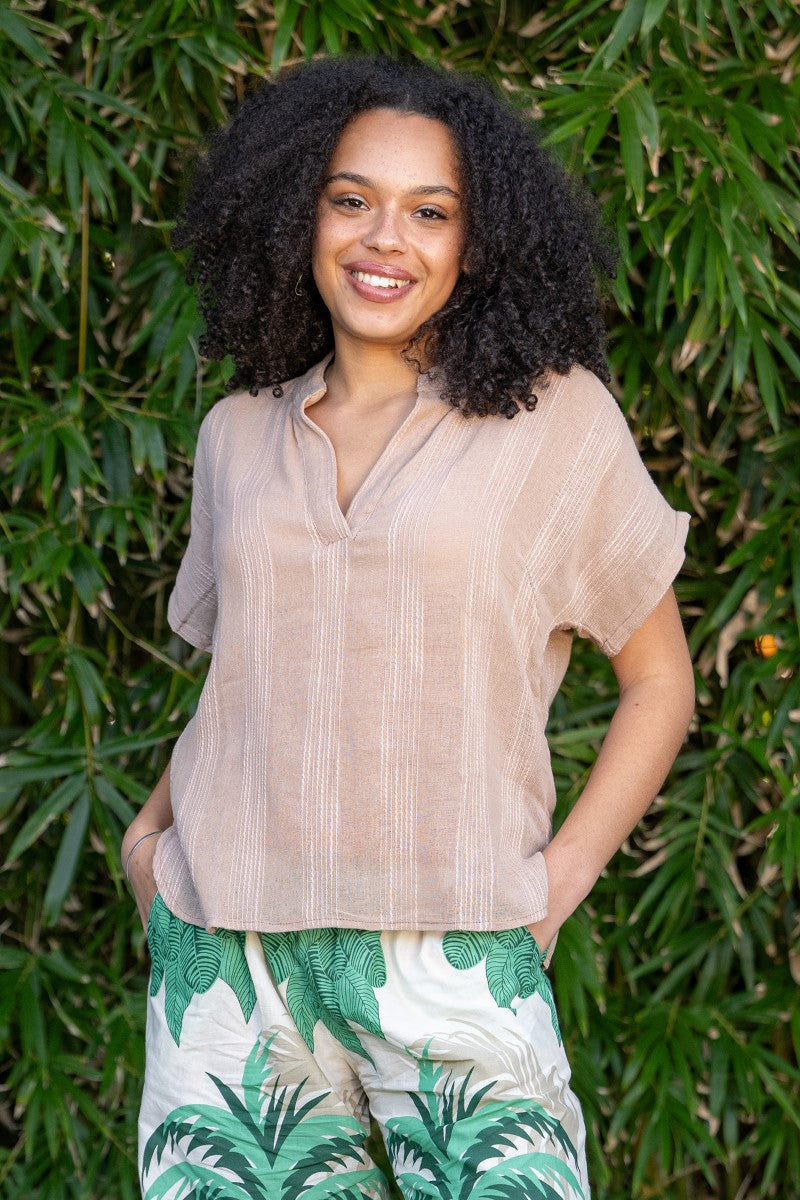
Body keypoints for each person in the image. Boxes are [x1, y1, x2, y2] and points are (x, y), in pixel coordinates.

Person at [122, 55, 695, 1199]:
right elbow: (248, 682)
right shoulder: (237, 434)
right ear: (298, 213)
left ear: (476, 243)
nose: (384, 238)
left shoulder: (556, 421)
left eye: (430, 212)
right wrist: (150, 849)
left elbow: (660, 682)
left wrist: (558, 880)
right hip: (230, 955)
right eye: (351, 199)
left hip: (455, 949)